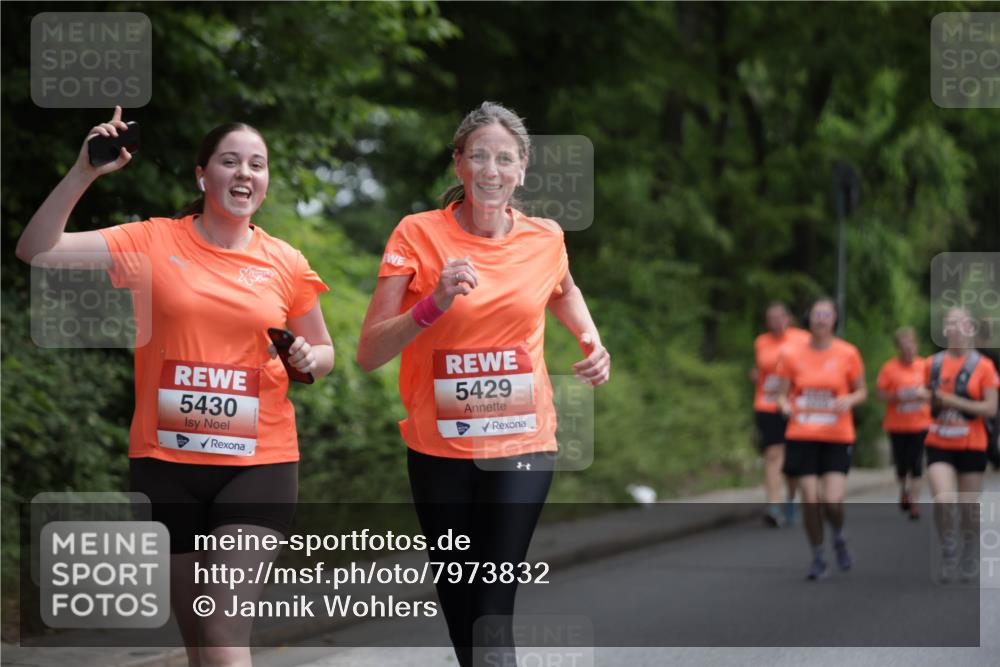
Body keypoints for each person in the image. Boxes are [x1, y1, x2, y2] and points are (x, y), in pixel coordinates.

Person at [16, 107, 334, 666]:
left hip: (258, 464)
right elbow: (38, 251)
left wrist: (311, 356)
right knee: (197, 641)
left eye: (256, 165)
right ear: (201, 176)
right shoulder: (152, 242)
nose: (244, 173)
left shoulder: (284, 260)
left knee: (223, 634)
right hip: (166, 464)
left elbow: (323, 352)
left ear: (265, 181)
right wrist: (85, 172)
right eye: (229, 161)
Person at [357, 101, 610, 667]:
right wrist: (435, 302)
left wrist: (592, 341)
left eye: (504, 158)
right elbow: (370, 351)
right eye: (478, 156)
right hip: (437, 447)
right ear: (459, 166)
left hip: (523, 443)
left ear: (522, 169)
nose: (491, 170)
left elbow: (564, 289)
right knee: (461, 602)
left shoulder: (545, 238)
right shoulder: (416, 233)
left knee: (492, 601)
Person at [775, 297, 866, 580]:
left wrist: (849, 399)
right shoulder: (791, 353)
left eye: (827, 314)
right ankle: (818, 555)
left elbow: (862, 391)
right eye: (817, 314)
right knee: (811, 499)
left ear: (835, 320)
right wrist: (785, 406)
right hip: (802, 434)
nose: (821, 319)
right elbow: (780, 393)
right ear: (808, 318)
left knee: (832, 500)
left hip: (837, 435)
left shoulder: (848, 353)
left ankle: (838, 535)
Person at [923, 307, 999, 583]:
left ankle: (969, 548)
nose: (956, 329)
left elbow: (991, 408)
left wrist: (953, 401)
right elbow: (928, 399)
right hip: (939, 441)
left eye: (962, 324)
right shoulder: (932, 364)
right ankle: (948, 548)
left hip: (972, 444)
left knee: (968, 509)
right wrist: (926, 398)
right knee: (943, 500)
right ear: (944, 330)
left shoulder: (984, 366)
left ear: (970, 330)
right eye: (951, 324)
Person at [751, 302, 809, 527]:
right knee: (773, 454)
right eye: (770, 318)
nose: (774, 322)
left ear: (788, 318)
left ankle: (792, 498)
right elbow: (761, 369)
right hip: (766, 404)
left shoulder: (802, 338)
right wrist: (758, 376)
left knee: (792, 460)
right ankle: (773, 506)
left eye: (778, 317)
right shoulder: (761, 341)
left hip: (794, 406)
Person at [876, 326, 932, 520]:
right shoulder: (889, 368)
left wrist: (925, 395)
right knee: (901, 465)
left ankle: (915, 503)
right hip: (897, 424)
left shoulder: (925, 366)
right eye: (904, 347)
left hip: (921, 423)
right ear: (898, 348)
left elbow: (935, 392)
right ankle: (904, 489)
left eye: (911, 346)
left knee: (917, 463)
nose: (908, 350)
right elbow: (880, 394)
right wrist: (900, 395)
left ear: (916, 346)